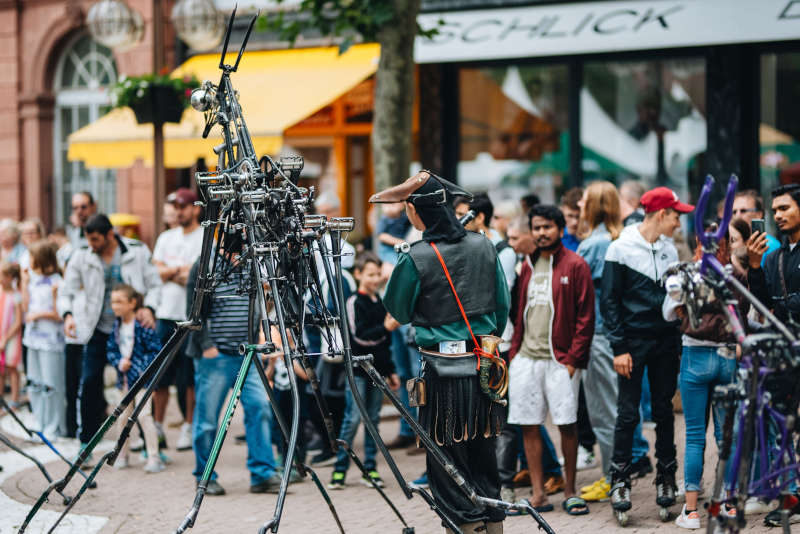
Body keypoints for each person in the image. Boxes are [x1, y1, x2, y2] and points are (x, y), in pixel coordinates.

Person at [373, 170, 510, 534]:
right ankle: (493, 527)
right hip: (486, 367)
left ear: (417, 214)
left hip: (442, 371)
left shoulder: (415, 256)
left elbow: (398, 311)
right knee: (484, 459)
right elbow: (502, 308)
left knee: (448, 467)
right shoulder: (484, 245)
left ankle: (465, 529)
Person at [603, 186, 693, 517]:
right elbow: (609, 303)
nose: (679, 223)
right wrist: (619, 347)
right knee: (628, 413)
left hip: (666, 342)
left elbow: (672, 298)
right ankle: (619, 481)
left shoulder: (670, 250)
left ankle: (666, 478)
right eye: (676, 216)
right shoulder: (620, 249)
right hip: (631, 343)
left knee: (664, 411)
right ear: (660, 214)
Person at [507, 204, 594, 516]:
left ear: (560, 228)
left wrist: (573, 360)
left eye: (547, 227)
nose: (541, 233)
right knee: (528, 425)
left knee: (567, 424)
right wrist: (515, 352)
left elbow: (586, 318)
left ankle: (570, 491)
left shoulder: (576, 265)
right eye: (537, 228)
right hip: (527, 358)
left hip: (560, 360)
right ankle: (538, 494)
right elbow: (520, 311)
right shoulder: (528, 264)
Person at [57, 214, 162, 459]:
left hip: (131, 330)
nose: (92, 245)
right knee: (90, 382)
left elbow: (155, 285)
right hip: (97, 329)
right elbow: (66, 291)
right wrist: (68, 315)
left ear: (110, 235)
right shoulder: (82, 256)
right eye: (88, 240)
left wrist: (150, 309)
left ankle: (150, 447)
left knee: (143, 384)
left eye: (96, 240)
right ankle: (87, 444)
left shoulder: (136, 252)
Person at [665, 228, 747, 529]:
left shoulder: (687, 274)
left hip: (694, 358)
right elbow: (744, 313)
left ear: (698, 243)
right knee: (728, 436)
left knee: (695, 435)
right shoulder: (733, 273)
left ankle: (691, 512)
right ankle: (727, 504)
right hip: (727, 356)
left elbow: (669, 314)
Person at [185, 236, 280, 496]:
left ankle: (262, 473)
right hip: (216, 355)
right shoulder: (206, 263)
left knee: (259, 408)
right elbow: (193, 311)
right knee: (207, 420)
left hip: (247, 353)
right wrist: (207, 347)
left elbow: (262, 301)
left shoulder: (251, 262)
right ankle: (205, 476)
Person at [575, 182, 651, 504]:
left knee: (604, 412)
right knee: (619, 409)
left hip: (601, 335)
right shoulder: (623, 238)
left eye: (584, 199)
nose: (579, 203)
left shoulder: (594, 245)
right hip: (618, 335)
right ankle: (619, 471)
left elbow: (587, 298)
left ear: (593, 206)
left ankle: (611, 478)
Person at [746, 183, 800, 525]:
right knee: (780, 421)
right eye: (775, 210)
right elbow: (761, 302)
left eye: (785, 208)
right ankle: (791, 495)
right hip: (784, 350)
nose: (777, 215)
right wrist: (753, 266)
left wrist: (780, 307)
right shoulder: (777, 255)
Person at [328, 252, 400, 489]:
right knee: (353, 419)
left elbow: (383, 346)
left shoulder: (379, 302)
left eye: (378, 274)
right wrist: (385, 328)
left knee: (373, 420)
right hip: (358, 372)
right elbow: (359, 338)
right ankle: (340, 469)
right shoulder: (353, 303)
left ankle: (370, 469)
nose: (375, 278)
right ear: (358, 274)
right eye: (370, 274)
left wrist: (391, 371)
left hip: (377, 373)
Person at [151, 188, 204, 453]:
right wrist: (177, 272)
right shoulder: (165, 237)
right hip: (165, 313)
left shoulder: (205, 237)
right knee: (159, 375)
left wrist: (170, 272)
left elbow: (197, 278)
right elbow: (155, 271)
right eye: (176, 207)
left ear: (195, 208)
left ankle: (188, 424)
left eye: (183, 207)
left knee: (188, 377)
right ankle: (157, 427)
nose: (179, 212)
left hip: (190, 316)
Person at [105, 284, 164, 473]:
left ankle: (153, 456)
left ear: (132, 303)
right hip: (124, 382)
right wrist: (118, 362)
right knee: (122, 417)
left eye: (120, 302)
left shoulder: (142, 326)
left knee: (145, 417)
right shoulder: (116, 326)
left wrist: (139, 368)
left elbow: (156, 351)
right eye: (113, 302)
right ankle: (122, 453)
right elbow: (111, 350)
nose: (115, 306)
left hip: (142, 382)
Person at [62, 191, 98, 438]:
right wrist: (66, 314)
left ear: (92, 206)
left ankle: (92, 426)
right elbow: (66, 284)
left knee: (92, 379)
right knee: (73, 377)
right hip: (76, 312)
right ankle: (72, 426)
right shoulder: (71, 241)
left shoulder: (103, 234)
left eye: (83, 206)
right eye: (75, 207)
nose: (79, 211)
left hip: (97, 317)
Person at [22, 241, 65, 440]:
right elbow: (25, 308)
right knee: (36, 382)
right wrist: (23, 283)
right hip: (33, 338)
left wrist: (39, 315)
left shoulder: (57, 282)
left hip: (51, 340)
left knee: (51, 383)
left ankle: (54, 426)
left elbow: (59, 315)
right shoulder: (33, 281)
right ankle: (40, 421)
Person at [735, 189, 781, 266]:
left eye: (743, 211)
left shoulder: (770, 245)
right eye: (734, 212)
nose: (737, 216)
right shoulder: (731, 243)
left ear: (758, 214)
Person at [0, 262, 23, 407]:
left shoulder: (16, 296)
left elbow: (18, 321)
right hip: (1, 335)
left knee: (12, 368)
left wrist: (6, 338)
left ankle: (14, 401)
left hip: (11, 337)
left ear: (9, 277)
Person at [560, 188, 584, 252]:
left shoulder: (592, 239)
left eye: (578, 217)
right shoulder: (556, 239)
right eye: (570, 216)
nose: (574, 222)